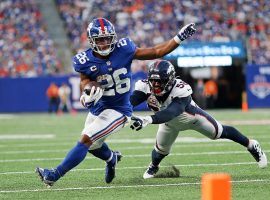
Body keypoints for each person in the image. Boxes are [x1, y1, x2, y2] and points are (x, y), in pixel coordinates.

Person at [36, 18, 196, 186]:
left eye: (107, 38)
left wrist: (178, 37)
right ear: (91, 41)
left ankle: (54, 175)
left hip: (119, 110)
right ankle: (112, 158)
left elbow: (156, 51)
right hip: (99, 108)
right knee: (92, 146)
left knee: (86, 139)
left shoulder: (124, 49)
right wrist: (88, 90)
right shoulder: (84, 60)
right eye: (100, 39)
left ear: (113, 38)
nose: (105, 43)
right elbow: (84, 81)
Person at [129, 60, 268, 179]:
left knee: (219, 132)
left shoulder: (181, 89)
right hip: (168, 123)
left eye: (159, 81)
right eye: (153, 81)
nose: (155, 85)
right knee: (161, 150)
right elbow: (131, 102)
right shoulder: (144, 86)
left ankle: (251, 145)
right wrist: (120, 112)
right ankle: (154, 166)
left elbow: (172, 112)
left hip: (192, 118)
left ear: (170, 80)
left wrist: (147, 119)